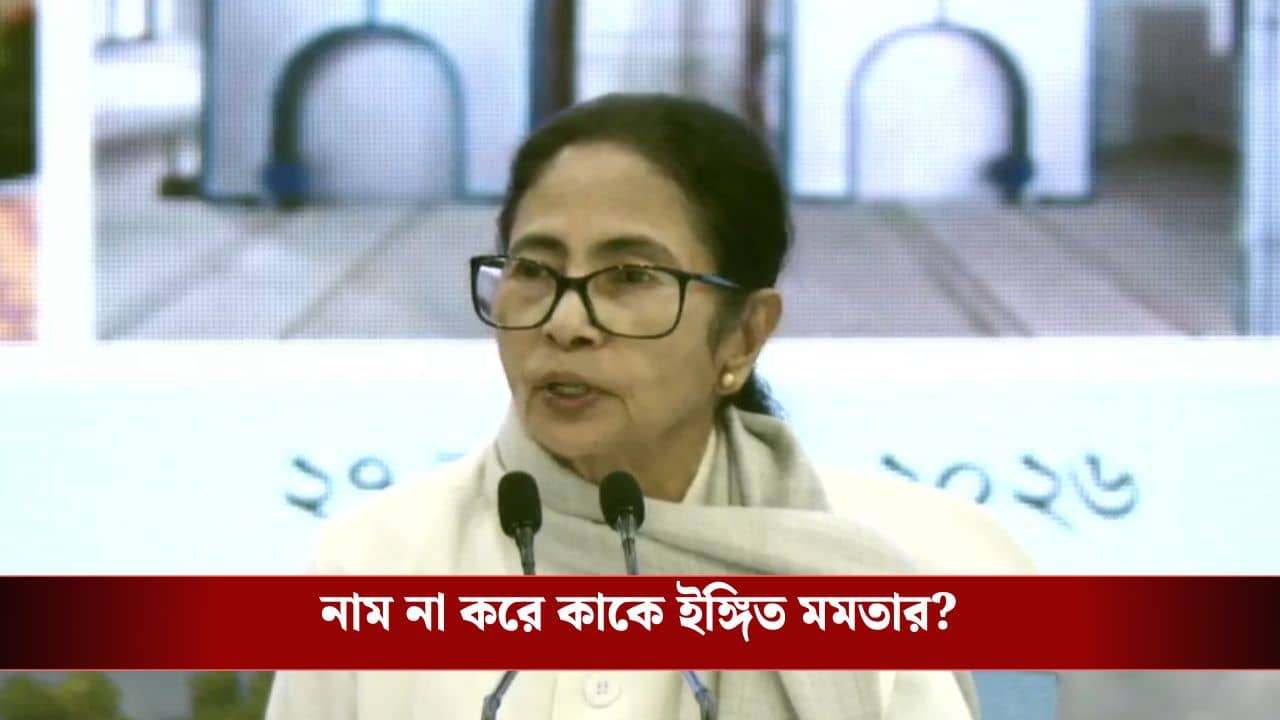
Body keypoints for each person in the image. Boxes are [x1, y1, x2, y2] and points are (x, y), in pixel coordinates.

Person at [266, 93, 1033, 719]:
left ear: (743, 335)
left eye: (630, 277)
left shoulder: (868, 577)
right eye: (534, 270)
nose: (566, 323)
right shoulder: (373, 566)